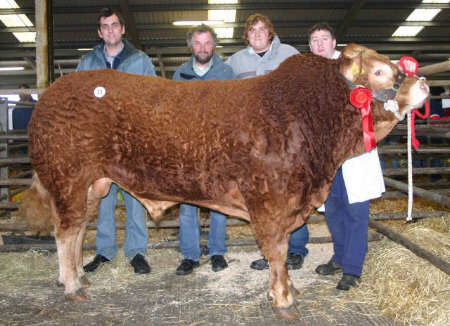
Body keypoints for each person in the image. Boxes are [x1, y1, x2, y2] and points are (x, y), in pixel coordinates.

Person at [226, 13, 308, 271]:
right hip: (254, 142)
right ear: (246, 35)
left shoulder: (290, 55)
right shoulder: (235, 62)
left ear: (270, 32)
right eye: (252, 31)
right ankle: (270, 249)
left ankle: (296, 249)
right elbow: (225, 96)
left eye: (262, 29)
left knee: (293, 193)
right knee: (263, 196)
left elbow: (304, 91)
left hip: (287, 139)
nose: (258, 34)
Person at [79, 7, 156, 274]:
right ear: (100, 32)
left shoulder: (141, 61)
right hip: (99, 143)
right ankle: (104, 251)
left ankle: (137, 252)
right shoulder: (88, 63)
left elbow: (154, 99)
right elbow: (79, 102)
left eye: (114, 25)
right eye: (105, 26)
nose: (110, 30)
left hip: (130, 142)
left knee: (135, 197)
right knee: (103, 198)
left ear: (122, 29)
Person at [308, 22, 385, 290]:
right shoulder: (308, 75)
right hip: (327, 157)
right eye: (314, 40)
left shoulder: (354, 68)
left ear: (334, 43)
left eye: (324, 39)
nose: (319, 44)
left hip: (354, 152)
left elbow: (382, 84)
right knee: (333, 209)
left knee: (355, 211)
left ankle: (352, 268)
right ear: (310, 46)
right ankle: (339, 257)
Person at [172, 24, 234, 275]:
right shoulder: (180, 74)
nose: (203, 48)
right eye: (198, 43)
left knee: (219, 202)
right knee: (188, 203)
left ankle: (217, 252)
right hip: (189, 150)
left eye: (207, 43)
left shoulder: (226, 72)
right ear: (191, 46)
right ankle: (190, 255)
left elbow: (234, 112)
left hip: (218, 148)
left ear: (214, 45)